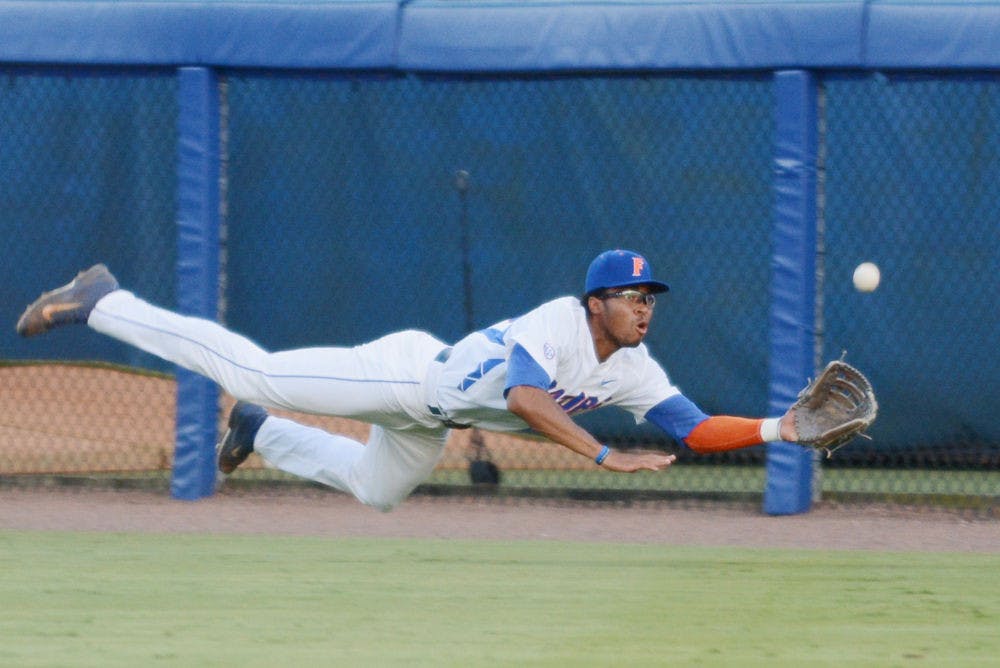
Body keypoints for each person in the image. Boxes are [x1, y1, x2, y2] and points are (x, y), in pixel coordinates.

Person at [16, 249, 798, 511]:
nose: (644, 308)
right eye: (632, 297)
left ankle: (263, 431)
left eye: (649, 298)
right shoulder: (558, 321)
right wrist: (602, 456)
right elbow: (526, 397)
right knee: (252, 367)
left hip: (434, 416)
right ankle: (105, 299)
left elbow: (693, 429)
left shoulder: (632, 367)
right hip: (401, 377)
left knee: (375, 491)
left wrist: (779, 430)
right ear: (598, 302)